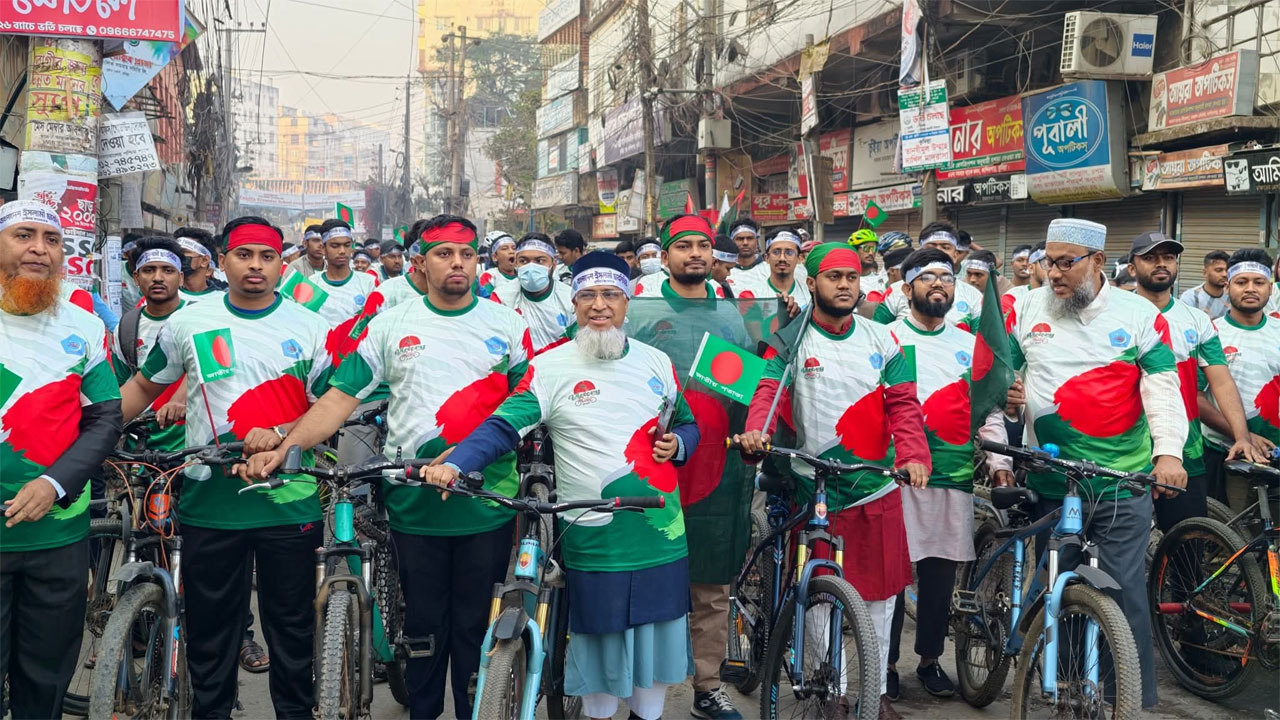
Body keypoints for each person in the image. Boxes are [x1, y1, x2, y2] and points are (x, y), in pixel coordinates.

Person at [243, 214, 531, 720]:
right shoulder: (391, 325)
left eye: (466, 254)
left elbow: (530, 400)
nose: (457, 263)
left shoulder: (508, 325)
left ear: (478, 262)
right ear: (421, 263)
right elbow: (338, 399)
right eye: (444, 254)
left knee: (472, 624)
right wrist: (286, 445)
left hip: (488, 500)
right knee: (421, 623)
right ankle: (423, 711)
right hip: (413, 499)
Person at [418, 251, 700, 720]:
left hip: (659, 533)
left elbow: (687, 423)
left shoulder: (658, 363)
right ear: (573, 303)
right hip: (592, 537)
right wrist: (459, 462)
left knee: (653, 666)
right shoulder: (550, 367)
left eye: (611, 294)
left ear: (628, 302)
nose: (599, 306)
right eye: (587, 295)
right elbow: (504, 425)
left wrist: (680, 444)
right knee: (599, 664)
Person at [119, 216, 331, 719]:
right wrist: (91, 435)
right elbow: (145, 388)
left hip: (288, 504)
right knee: (211, 637)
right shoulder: (189, 322)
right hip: (209, 504)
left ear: (283, 264)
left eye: (267, 256)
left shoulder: (310, 326)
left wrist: (284, 433)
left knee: (292, 633)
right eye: (243, 255)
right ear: (221, 261)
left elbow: (331, 403)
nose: (255, 266)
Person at [736, 242, 931, 720]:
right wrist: (756, 430)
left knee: (883, 597)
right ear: (812, 283)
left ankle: (875, 692)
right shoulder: (790, 339)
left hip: (876, 485)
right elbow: (767, 390)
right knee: (820, 592)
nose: (845, 285)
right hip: (815, 487)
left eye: (852, 277)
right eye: (833, 277)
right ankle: (836, 692)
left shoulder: (884, 339)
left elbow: (904, 404)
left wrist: (913, 453)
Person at [1004, 218, 1187, 710]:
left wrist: (1168, 451)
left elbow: (1162, 385)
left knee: (1123, 595)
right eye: (1048, 261)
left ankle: (1124, 700)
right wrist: (1003, 402)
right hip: (1051, 481)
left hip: (1120, 482)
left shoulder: (1139, 314)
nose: (1055, 273)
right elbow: (993, 370)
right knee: (1057, 592)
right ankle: (1060, 691)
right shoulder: (1022, 308)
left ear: (1098, 262)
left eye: (1067, 262)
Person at [0, 202, 122, 719]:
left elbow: (105, 420)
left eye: (52, 239)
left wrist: (54, 483)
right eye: (24, 235)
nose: (39, 249)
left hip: (60, 538)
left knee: (46, 680)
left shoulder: (84, 327)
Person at [884, 249, 1013, 702]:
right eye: (927, 277)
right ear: (906, 289)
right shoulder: (885, 339)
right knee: (891, 580)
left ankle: (929, 660)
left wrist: (1000, 468)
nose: (938, 283)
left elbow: (989, 413)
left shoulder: (968, 344)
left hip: (951, 475)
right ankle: (885, 664)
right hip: (892, 478)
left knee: (938, 578)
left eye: (947, 276)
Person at [1126, 232, 1262, 530]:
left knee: (1186, 555)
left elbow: (1221, 382)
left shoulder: (1196, 320)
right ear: (1132, 268)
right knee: (1117, 558)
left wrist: (1242, 436)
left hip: (1185, 454)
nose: (1161, 264)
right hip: (1123, 453)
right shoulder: (1115, 314)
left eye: (1168, 258)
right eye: (1150, 258)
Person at [1198, 248, 1279, 511]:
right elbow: (1194, 396)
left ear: (1270, 287)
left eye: (1259, 282)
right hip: (1225, 455)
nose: (1250, 289)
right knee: (1231, 542)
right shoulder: (1210, 333)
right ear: (1227, 285)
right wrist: (1243, 434)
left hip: (1274, 454)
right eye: (1241, 282)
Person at [874, 221, 982, 330]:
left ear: (955, 255)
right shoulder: (896, 290)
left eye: (945, 247)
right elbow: (877, 333)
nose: (938, 252)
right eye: (931, 247)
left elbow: (979, 342)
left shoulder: (973, 296)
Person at [492, 233, 574, 354]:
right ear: (516, 264)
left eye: (540, 261)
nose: (531, 267)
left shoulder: (571, 299)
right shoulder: (501, 298)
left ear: (553, 264)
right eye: (523, 261)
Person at [299, 220, 378, 328]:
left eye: (347, 245)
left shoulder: (368, 283)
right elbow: (305, 325)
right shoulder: (312, 283)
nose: (342, 251)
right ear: (323, 248)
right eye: (335, 246)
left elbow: (375, 324)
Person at [633, 215, 726, 300]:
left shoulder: (728, 312)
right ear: (665, 257)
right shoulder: (646, 310)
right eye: (683, 247)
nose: (696, 253)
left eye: (704, 246)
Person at [735, 227, 811, 308]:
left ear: (799, 258)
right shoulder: (752, 295)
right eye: (776, 252)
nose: (782, 258)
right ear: (766, 258)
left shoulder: (809, 292)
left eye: (789, 252)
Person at [176, 227, 226, 301]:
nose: (178, 257)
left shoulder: (221, 300)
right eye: (176, 252)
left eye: (184, 252)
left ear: (204, 260)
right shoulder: (166, 297)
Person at [1178, 250, 1230, 318]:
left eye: (1227, 270)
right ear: (1205, 272)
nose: (1224, 274)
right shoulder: (1191, 297)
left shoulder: (1232, 296)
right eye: (1218, 270)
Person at [478, 231, 516, 295]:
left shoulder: (522, 274)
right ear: (494, 257)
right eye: (504, 248)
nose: (511, 251)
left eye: (514, 248)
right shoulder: (488, 277)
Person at [710, 233, 739, 298]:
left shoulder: (726, 288)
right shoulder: (695, 286)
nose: (729, 274)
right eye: (728, 269)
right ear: (714, 263)